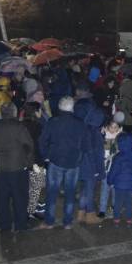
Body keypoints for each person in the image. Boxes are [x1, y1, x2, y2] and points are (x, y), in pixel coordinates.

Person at [38, 96, 89, 229]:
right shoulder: (80, 124)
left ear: (60, 107)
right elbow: (86, 145)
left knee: (52, 192)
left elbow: (43, 141)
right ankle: (67, 222)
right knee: (70, 192)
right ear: (72, 108)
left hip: (56, 161)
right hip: (73, 163)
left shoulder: (53, 121)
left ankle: (49, 221)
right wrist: (79, 156)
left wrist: (46, 156)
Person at [0, 103, 34, 232]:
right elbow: (29, 146)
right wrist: (28, 162)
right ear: (14, 112)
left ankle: (5, 225)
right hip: (18, 167)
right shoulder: (19, 128)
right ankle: (21, 224)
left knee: (3, 199)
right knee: (20, 197)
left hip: (2, 168)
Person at [73, 96, 106, 225]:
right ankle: (90, 214)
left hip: (80, 165)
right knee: (90, 191)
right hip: (91, 166)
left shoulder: (82, 127)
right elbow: (97, 153)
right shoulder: (95, 133)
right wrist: (100, 171)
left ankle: (81, 213)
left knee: (83, 190)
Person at [106, 133, 132, 226]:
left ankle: (116, 219)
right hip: (130, 183)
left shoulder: (118, 157)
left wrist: (109, 181)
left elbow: (113, 171)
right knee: (129, 202)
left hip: (119, 184)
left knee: (118, 202)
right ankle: (129, 219)